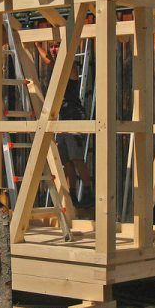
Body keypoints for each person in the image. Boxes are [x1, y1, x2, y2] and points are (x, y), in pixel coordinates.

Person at [35, 40, 94, 210]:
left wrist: (51, 54)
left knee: (76, 158)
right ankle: (73, 194)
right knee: (66, 160)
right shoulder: (56, 64)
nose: (53, 49)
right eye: (52, 46)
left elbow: (54, 63)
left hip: (74, 117)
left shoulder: (71, 66)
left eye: (57, 46)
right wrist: (38, 46)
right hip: (61, 117)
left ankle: (89, 190)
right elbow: (48, 60)